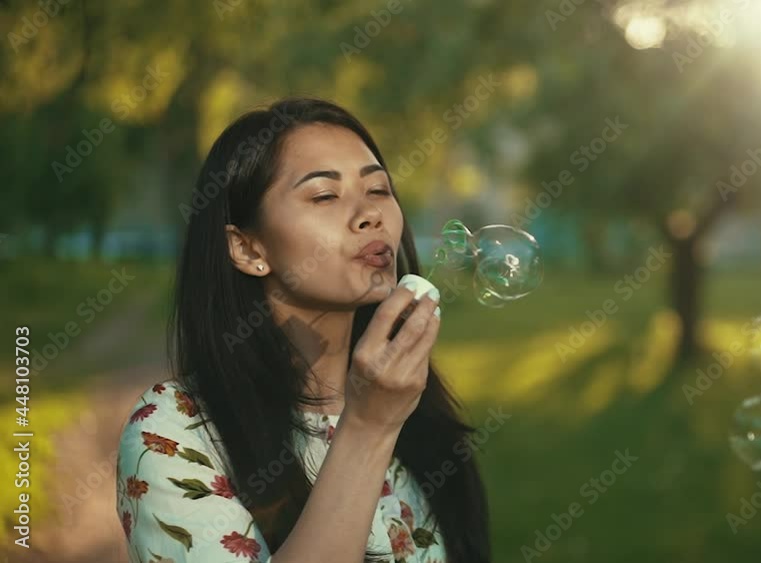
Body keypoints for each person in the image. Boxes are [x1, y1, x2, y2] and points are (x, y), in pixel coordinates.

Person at [115, 98, 491, 563]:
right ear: (247, 247)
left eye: (378, 189)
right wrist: (369, 427)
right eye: (324, 196)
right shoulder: (174, 430)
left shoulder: (419, 416)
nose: (370, 214)